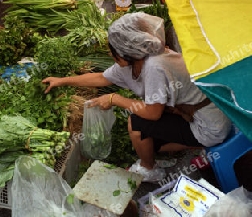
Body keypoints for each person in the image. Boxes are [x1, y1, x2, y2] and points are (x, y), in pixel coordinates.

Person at [42, 12, 232, 183]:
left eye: (113, 50)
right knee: (146, 142)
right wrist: (61, 81)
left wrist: (115, 99)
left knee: (136, 122)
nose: (111, 54)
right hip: (191, 114)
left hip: (208, 125)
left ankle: (149, 170)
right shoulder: (135, 60)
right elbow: (101, 77)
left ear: (124, 51)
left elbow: (153, 113)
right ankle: (163, 154)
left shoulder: (154, 66)